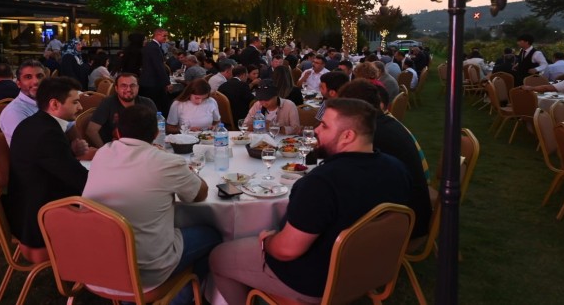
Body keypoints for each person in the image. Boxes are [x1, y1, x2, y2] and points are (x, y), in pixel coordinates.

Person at [209, 98, 412, 303]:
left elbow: (286, 251)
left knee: (218, 256)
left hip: (316, 282)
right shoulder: (397, 169)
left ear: (348, 136)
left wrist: (266, 241)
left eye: (324, 125)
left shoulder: (322, 183)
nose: (316, 130)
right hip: (369, 270)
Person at [83, 105, 219, 304]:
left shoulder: (103, 153)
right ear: (156, 133)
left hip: (97, 262)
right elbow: (199, 195)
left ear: (117, 132)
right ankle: (179, 297)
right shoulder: (167, 162)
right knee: (213, 235)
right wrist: (188, 172)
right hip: (145, 271)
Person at [337, 79, 432, 238]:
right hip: (412, 211)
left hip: (403, 224)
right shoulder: (386, 123)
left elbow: (350, 180)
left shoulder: (372, 136)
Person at [4, 77, 90, 249]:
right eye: (75, 102)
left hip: (25, 206)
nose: (80, 108)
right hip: (39, 220)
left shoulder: (35, 123)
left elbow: (52, 162)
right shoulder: (48, 134)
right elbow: (80, 180)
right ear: (55, 104)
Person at [86, 73, 157, 148]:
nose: (129, 89)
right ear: (116, 88)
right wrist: (104, 150)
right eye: (124, 85)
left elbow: (158, 127)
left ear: (138, 87)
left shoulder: (147, 103)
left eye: (132, 85)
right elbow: (91, 130)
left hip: (142, 148)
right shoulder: (107, 103)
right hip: (115, 149)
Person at [0, 60, 46, 146]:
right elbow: (34, 148)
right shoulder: (13, 113)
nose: (36, 81)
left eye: (40, 76)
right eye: (28, 77)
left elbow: (70, 126)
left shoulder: (49, 102)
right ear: (18, 83)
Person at [140, 28, 174, 113]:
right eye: (164, 36)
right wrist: (167, 83)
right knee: (160, 106)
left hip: (149, 81)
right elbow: (159, 67)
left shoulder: (151, 46)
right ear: (157, 35)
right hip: (153, 82)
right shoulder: (154, 47)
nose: (166, 38)